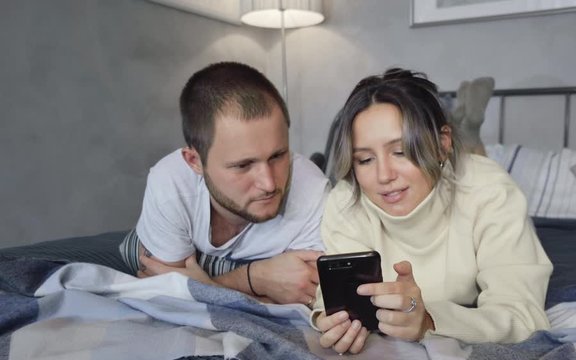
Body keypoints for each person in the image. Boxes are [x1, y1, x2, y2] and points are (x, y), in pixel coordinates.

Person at [311, 68, 552, 354]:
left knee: (470, 170)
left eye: (400, 152)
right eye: (364, 159)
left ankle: (469, 132)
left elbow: (523, 315)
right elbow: (330, 299)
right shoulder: (346, 200)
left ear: (441, 144)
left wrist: (428, 320)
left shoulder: (491, 190)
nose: (384, 175)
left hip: (466, 180)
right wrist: (330, 318)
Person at [119, 62, 330, 305]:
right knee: (133, 252)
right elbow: (171, 297)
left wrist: (205, 285)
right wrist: (255, 278)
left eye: (277, 156)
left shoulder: (313, 192)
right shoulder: (171, 184)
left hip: (191, 254)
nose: (269, 184)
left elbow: (306, 298)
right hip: (155, 235)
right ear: (195, 161)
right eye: (243, 165)